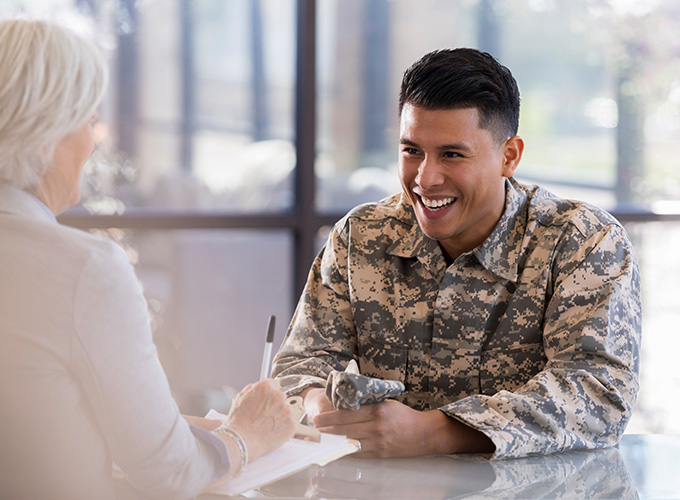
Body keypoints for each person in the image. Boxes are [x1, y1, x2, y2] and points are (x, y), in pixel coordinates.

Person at [272, 48, 641, 460]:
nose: (425, 178)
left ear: (509, 156)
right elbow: (301, 362)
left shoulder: (583, 242)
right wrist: (321, 408)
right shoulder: (361, 236)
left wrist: (435, 432)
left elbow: (598, 391)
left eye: (452, 154)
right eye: (412, 150)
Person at [0, 18, 295, 500]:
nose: (94, 140)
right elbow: (169, 474)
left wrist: (171, 428)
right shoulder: (83, 269)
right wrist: (245, 437)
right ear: (47, 134)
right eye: (89, 120)